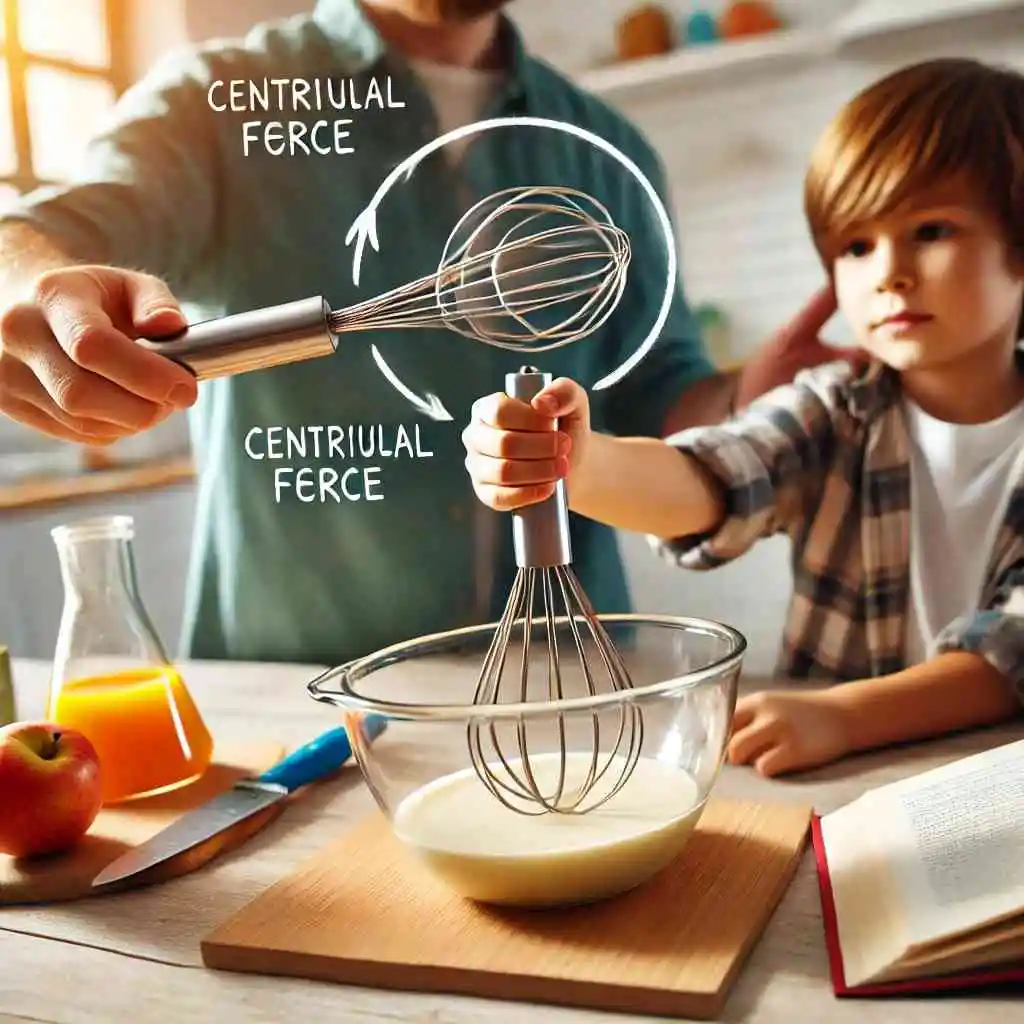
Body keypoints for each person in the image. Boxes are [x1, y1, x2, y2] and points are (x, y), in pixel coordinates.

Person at [0, 0, 831, 667]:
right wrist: (33, 286)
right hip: (307, 687)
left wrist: (751, 393)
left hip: (564, 670)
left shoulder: (609, 149)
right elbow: (33, 236)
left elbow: (663, 396)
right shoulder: (218, 102)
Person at [461, 57, 1024, 777]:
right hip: (843, 782)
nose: (887, 271)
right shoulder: (835, 409)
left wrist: (844, 715)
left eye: (933, 230)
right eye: (856, 245)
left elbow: (1011, 653)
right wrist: (580, 459)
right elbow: (711, 479)